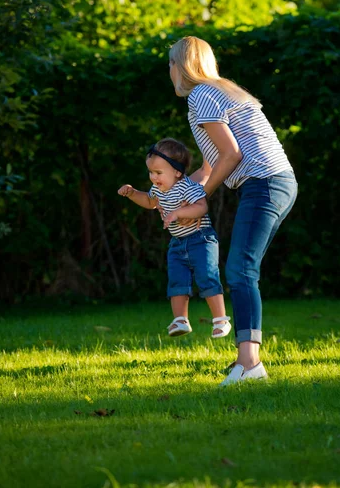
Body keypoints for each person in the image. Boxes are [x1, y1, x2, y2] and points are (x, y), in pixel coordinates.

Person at [168, 36, 298, 386]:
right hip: (277, 181)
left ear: (181, 66)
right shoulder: (222, 90)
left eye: (171, 64)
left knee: (241, 269)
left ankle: (250, 364)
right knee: (243, 269)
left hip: (265, 182)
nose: (170, 71)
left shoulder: (201, 95)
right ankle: (246, 361)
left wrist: (199, 200)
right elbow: (214, 162)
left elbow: (232, 155)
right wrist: (182, 192)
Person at [117, 137, 232, 340]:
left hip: (200, 239)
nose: (153, 177)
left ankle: (221, 319)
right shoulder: (158, 190)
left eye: (158, 173)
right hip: (178, 243)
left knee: (207, 276)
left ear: (177, 172)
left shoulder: (187, 187)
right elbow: (149, 201)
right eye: (151, 172)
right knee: (177, 281)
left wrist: (178, 213)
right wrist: (133, 193)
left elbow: (202, 207)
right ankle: (180, 320)